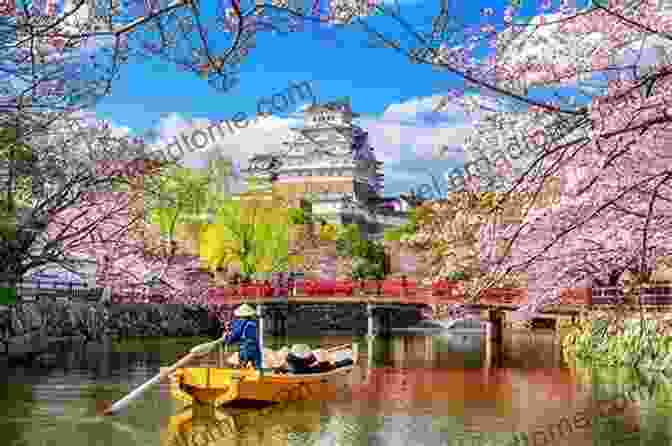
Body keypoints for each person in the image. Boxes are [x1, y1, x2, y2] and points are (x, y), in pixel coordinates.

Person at [224, 303, 262, 369]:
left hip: (245, 348)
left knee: (242, 368)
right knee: (257, 367)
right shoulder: (253, 323)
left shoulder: (238, 323)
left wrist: (227, 338)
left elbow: (234, 336)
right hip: (256, 348)